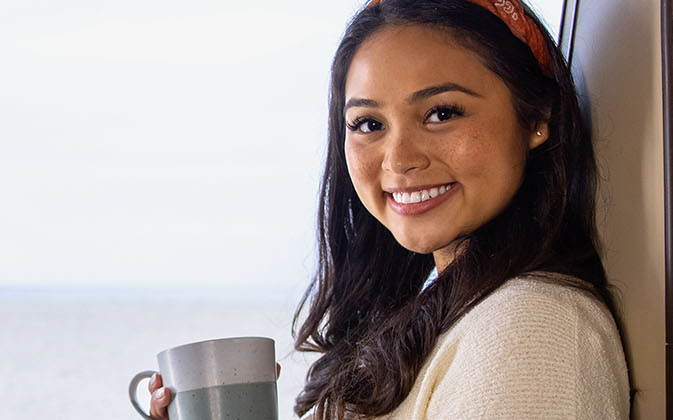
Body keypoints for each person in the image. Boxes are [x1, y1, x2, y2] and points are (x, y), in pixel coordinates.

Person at [145, 0, 629, 418]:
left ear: (537, 117)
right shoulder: (452, 311)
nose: (399, 160)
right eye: (368, 123)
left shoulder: (532, 330)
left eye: (442, 113)